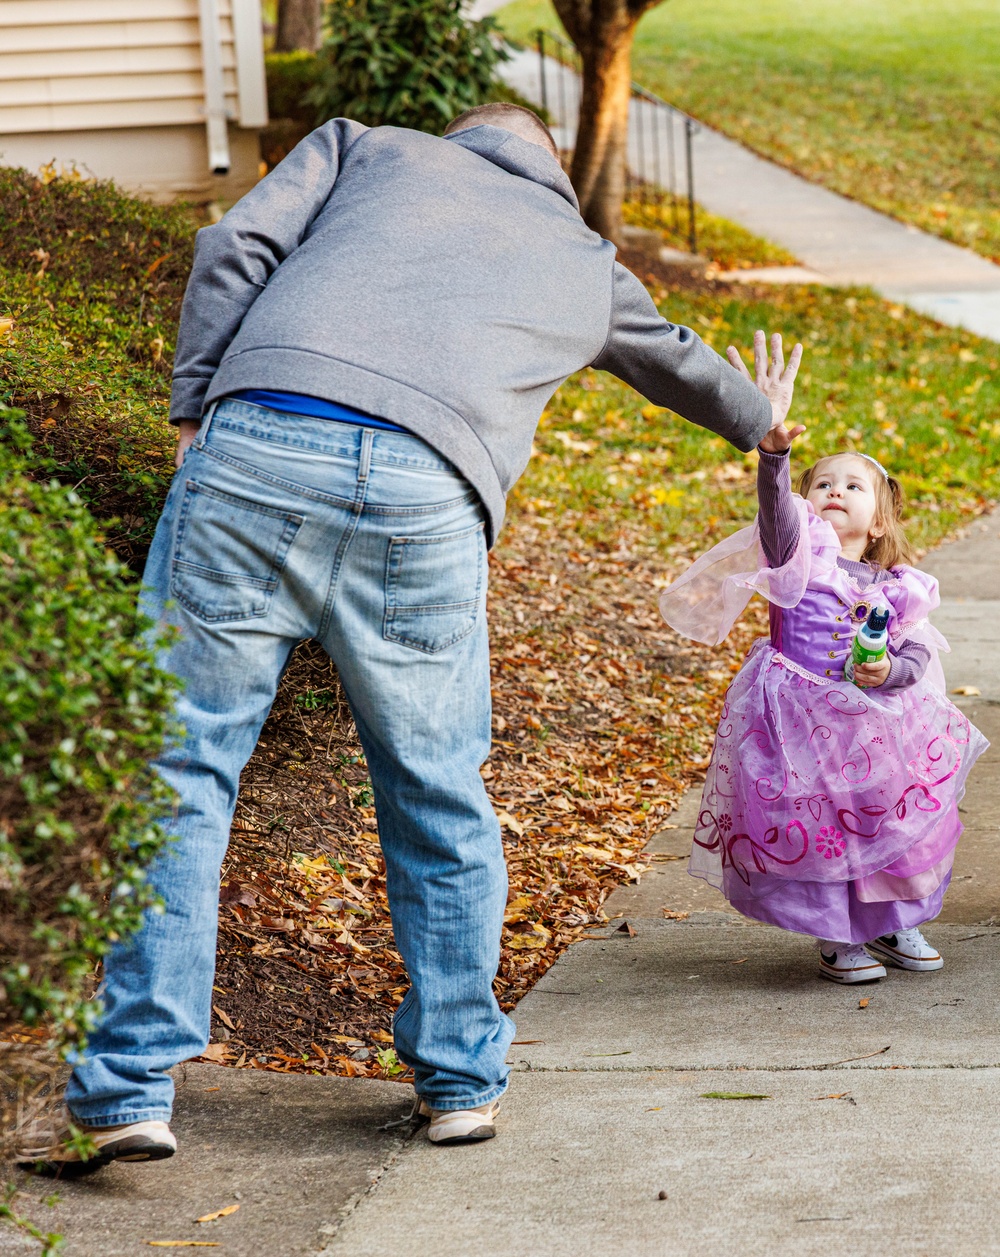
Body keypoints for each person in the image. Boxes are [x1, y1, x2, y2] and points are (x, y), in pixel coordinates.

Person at [20, 102, 785, 1173]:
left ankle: (128, 1089)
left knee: (178, 767)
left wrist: (193, 403)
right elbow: (679, 361)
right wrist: (763, 422)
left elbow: (233, 242)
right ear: (553, 173)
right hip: (428, 499)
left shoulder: (363, 147)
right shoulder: (581, 256)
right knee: (436, 787)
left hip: (261, 450)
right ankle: (461, 1081)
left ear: (460, 139)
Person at [660, 337, 988, 983]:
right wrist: (774, 453)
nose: (835, 489)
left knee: (886, 820)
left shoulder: (897, 586)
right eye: (823, 483)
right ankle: (838, 934)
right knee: (821, 827)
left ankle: (891, 920)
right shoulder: (798, 558)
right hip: (801, 722)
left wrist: (890, 671)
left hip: (878, 731)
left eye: (853, 484)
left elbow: (916, 649)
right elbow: (777, 515)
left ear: (879, 518)